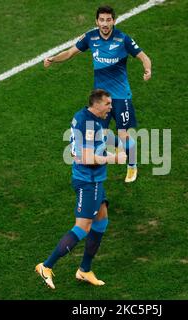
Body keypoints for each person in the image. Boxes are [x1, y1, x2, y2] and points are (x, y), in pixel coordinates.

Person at [44, 5, 152, 183]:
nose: (105, 23)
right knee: (99, 132)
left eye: (108, 20)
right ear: (96, 21)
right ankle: (108, 155)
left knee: (124, 134)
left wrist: (147, 69)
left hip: (120, 97)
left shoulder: (123, 39)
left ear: (114, 21)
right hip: (100, 98)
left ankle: (132, 166)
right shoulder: (90, 37)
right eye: (101, 20)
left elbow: (143, 57)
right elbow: (71, 52)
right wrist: (52, 59)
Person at [35, 89, 127, 289]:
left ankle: (84, 269)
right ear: (96, 104)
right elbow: (86, 158)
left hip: (93, 180)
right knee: (83, 227)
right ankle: (46, 266)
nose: (110, 108)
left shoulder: (84, 115)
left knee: (101, 219)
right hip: (88, 181)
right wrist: (114, 158)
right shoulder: (89, 124)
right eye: (107, 104)